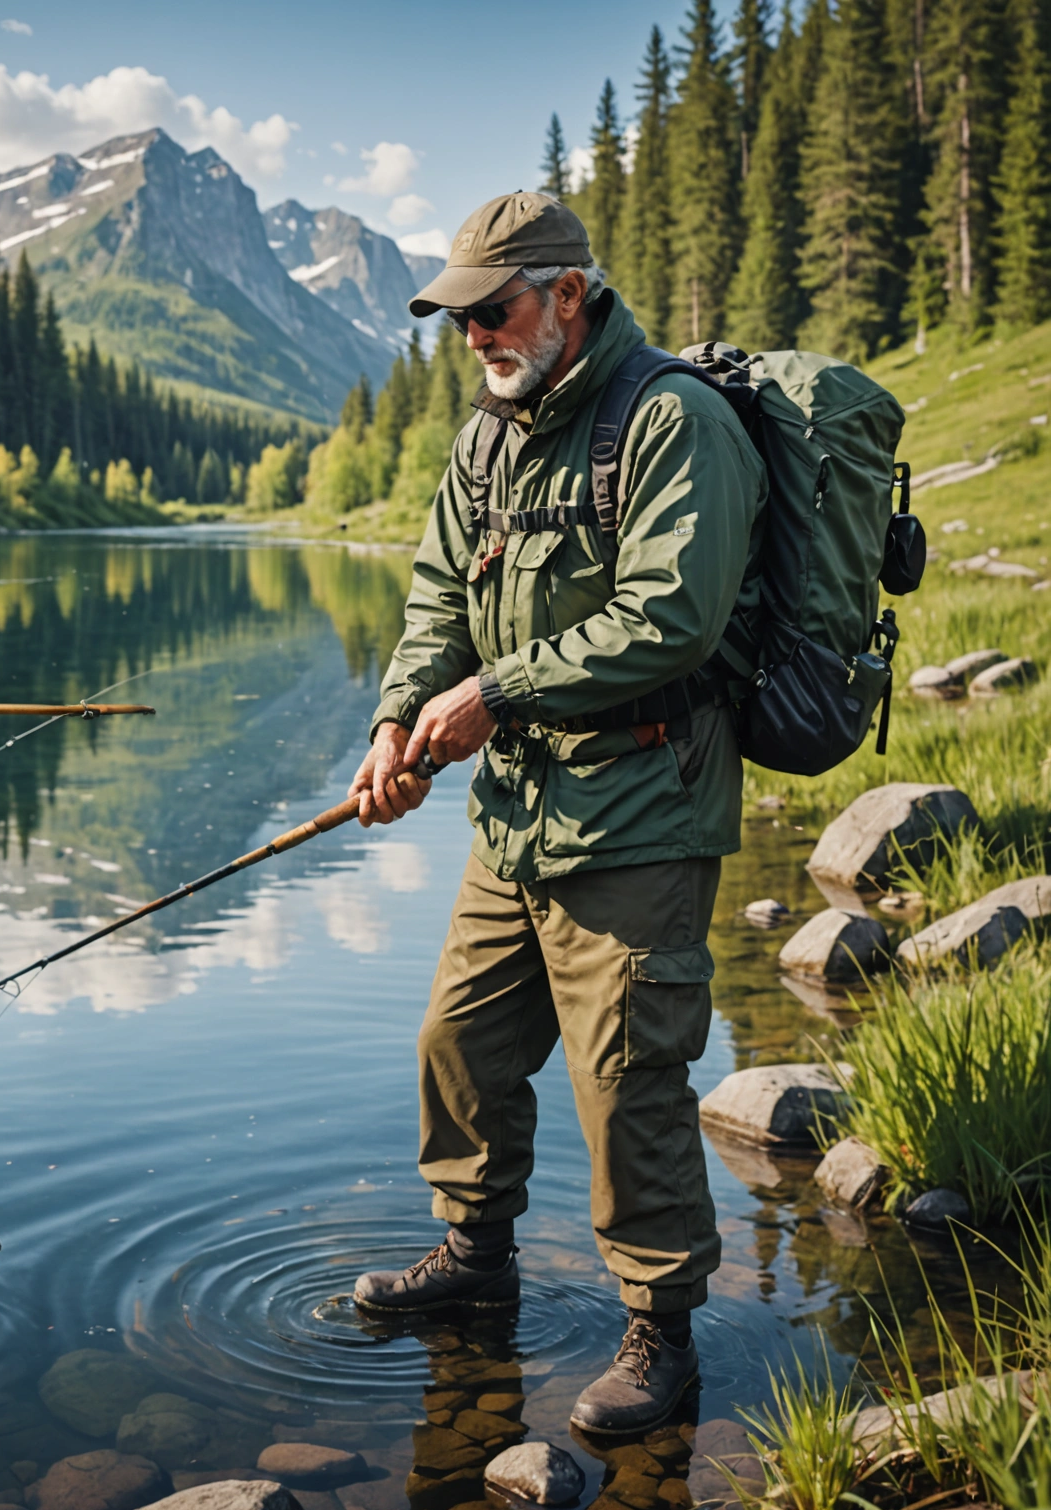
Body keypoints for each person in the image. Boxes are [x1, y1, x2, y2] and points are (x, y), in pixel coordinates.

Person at [349, 191, 767, 1437]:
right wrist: (398, 721)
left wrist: (496, 690)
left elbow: (670, 620)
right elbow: (436, 600)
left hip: (644, 805)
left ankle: (662, 1334)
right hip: (518, 816)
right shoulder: (485, 440)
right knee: (458, 1046)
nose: (475, 334)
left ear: (569, 294)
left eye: (494, 308)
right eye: (458, 317)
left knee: (629, 1080)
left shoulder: (670, 423)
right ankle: (475, 1261)